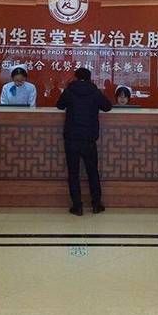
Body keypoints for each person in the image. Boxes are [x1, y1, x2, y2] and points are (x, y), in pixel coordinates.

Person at [56, 68, 112, 216]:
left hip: (72, 138)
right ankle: (96, 204)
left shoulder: (69, 91)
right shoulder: (95, 92)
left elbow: (59, 105)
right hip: (89, 139)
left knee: (73, 173)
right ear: (89, 78)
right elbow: (107, 107)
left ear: (75, 77)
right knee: (92, 172)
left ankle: (77, 206)